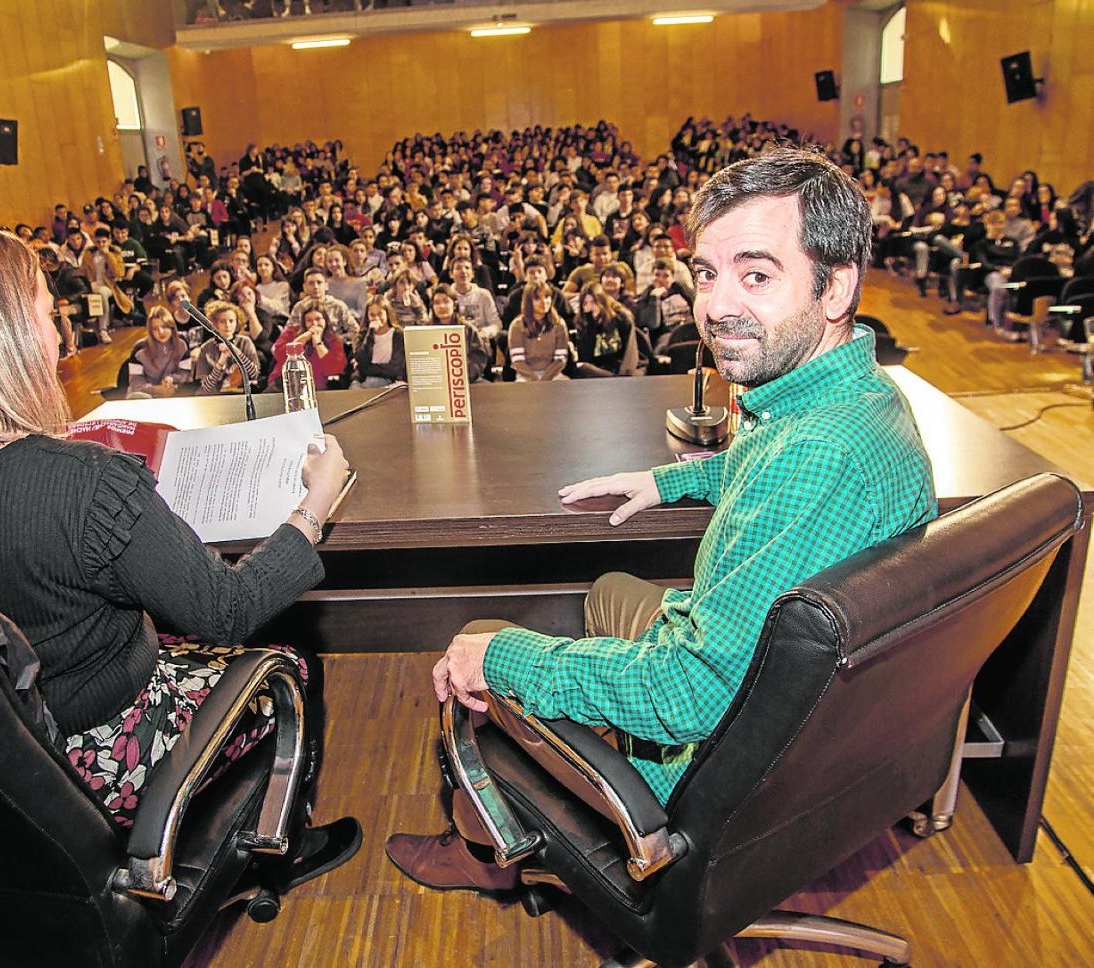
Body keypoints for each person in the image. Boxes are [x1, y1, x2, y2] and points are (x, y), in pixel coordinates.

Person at [386, 147, 938, 892]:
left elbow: (685, 693)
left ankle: (486, 851)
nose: (715, 306)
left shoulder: (818, 458)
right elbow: (767, 462)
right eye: (707, 274)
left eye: (756, 275)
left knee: (483, 650)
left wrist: (504, 656)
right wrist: (671, 479)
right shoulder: (853, 398)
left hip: (724, 766)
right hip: (820, 719)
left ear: (835, 286)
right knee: (610, 591)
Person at [0, 226, 360, 879]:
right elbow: (230, 609)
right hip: (104, 752)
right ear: (9, 338)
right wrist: (315, 503)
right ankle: (276, 850)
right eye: (47, 312)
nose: (61, 333)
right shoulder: (87, 487)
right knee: (293, 659)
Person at [268, 303, 349, 391]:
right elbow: (279, 354)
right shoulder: (291, 332)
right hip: (285, 382)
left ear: (325, 320)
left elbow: (334, 369)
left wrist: (318, 343)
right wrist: (304, 338)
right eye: (309, 320)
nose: (314, 324)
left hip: (318, 386)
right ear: (303, 322)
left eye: (318, 319)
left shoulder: (334, 339)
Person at [506, 282, 570, 381]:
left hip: (553, 374)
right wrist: (534, 381)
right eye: (537, 298)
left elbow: (560, 360)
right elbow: (518, 361)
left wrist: (545, 379)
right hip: (526, 375)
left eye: (547, 297)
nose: (544, 302)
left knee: (564, 383)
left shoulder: (559, 324)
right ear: (528, 302)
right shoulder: (517, 326)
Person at [195, 300, 261, 393]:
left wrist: (236, 352)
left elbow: (255, 374)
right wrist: (221, 362)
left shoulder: (245, 342)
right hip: (216, 397)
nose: (228, 325)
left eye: (231, 321)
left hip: (243, 394)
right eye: (222, 321)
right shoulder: (206, 348)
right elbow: (206, 387)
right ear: (214, 323)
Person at [127, 306, 192, 398]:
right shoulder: (139, 349)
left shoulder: (182, 343)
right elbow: (135, 383)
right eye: (155, 328)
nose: (161, 332)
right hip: (146, 395)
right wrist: (157, 389)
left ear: (172, 327)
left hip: (173, 391)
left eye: (164, 327)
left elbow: (186, 373)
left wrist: (172, 379)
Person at [352, 296, 407, 388]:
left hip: (389, 380)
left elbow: (395, 369)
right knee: (353, 387)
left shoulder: (398, 334)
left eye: (380, 314)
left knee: (373, 382)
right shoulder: (363, 335)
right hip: (363, 378)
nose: (376, 318)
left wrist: (366, 368)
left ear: (387, 313)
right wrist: (370, 334)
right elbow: (361, 360)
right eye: (372, 315)